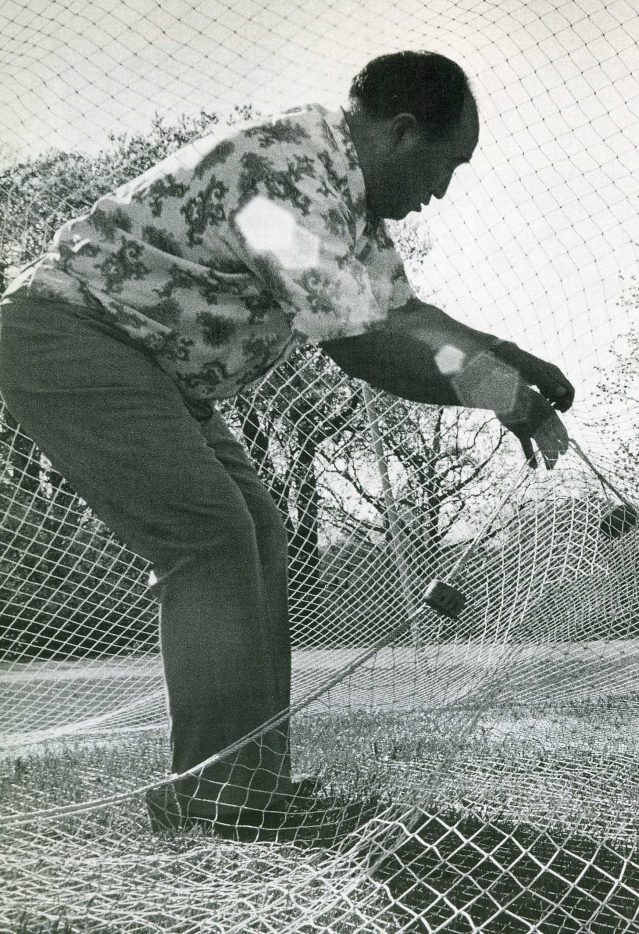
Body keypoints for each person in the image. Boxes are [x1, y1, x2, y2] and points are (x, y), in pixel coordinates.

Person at [0, 51, 575, 841]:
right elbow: (362, 346)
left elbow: (403, 315)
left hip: (155, 366)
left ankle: (252, 789)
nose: (442, 190)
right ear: (404, 132)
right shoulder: (285, 177)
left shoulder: (346, 198)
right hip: (71, 337)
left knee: (254, 533)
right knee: (209, 538)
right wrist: (496, 392)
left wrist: (505, 356)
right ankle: (216, 796)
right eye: (449, 165)